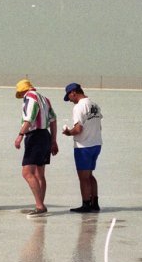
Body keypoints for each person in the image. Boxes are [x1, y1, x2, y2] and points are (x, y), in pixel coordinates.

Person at [13, 79, 59, 215]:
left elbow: (29, 118)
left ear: (22, 91)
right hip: (45, 135)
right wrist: (53, 140)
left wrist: (20, 135)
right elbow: (53, 119)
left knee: (27, 172)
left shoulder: (30, 98)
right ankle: (40, 204)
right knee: (40, 174)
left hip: (35, 136)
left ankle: (40, 206)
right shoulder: (45, 99)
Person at [62, 82, 103, 213]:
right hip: (96, 143)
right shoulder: (94, 104)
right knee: (90, 175)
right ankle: (94, 202)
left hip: (84, 146)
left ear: (73, 92)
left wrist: (69, 132)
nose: (69, 100)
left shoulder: (79, 107)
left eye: (69, 97)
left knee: (83, 177)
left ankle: (86, 204)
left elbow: (78, 129)